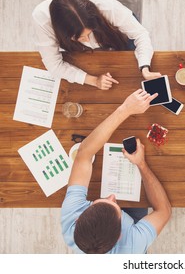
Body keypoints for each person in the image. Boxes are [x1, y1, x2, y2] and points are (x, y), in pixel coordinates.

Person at [61, 89, 172, 254]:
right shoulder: (131, 247)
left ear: (79, 218)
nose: (113, 196)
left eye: (103, 201)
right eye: (115, 204)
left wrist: (125, 109)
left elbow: (83, 154)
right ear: (121, 235)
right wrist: (141, 164)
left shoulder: (70, 221)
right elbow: (164, 211)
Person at [32, 0, 161, 90]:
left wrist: (145, 67)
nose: (87, 41)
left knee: (132, 73)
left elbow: (140, 34)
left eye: (89, 33)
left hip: (118, 35)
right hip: (84, 57)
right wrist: (93, 80)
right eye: (80, 38)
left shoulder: (106, 6)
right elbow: (54, 66)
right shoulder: (42, 19)